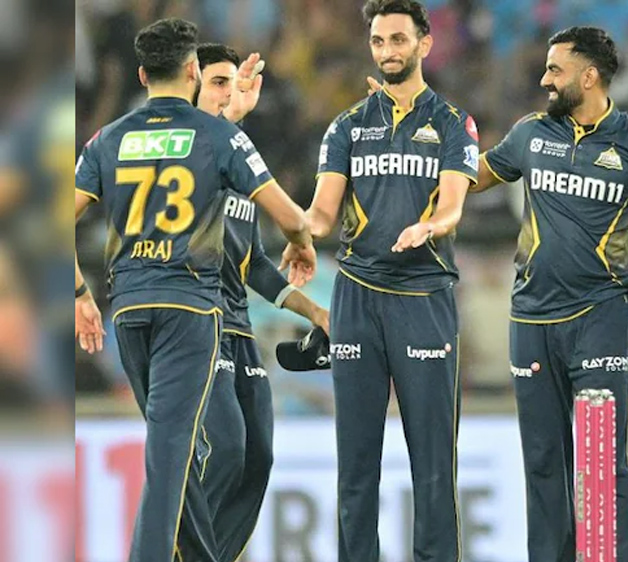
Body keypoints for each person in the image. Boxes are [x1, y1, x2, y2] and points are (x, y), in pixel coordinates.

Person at [73, 18, 316, 562]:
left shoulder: (108, 138)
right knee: (171, 455)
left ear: (142, 75)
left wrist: (80, 295)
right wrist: (301, 243)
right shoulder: (217, 136)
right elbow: (290, 216)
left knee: (177, 452)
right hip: (189, 309)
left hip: (128, 308)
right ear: (192, 72)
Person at [473, 26, 628, 562]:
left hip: (601, 317)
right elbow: (472, 178)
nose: (544, 79)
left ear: (589, 76)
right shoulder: (531, 134)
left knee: (600, 462)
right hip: (531, 321)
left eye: (555, 69)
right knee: (543, 462)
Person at [292, 1, 478, 559]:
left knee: (433, 464)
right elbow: (322, 214)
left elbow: (452, 208)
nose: (388, 51)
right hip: (356, 299)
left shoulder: (453, 122)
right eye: (378, 41)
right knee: (355, 465)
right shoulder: (348, 125)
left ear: (424, 43)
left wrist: (430, 227)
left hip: (424, 297)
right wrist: (297, 231)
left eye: (398, 39)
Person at [192, 42, 330, 562]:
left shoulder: (240, 159)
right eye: (217, 83)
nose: (228, 94)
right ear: (190, 86)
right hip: (196, 323)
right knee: (225, 450)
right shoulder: (183, 153)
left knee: (258, 457)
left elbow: (252, 264)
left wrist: (315, 311)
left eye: (233, 83)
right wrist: (230, 125)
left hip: (238, 325)